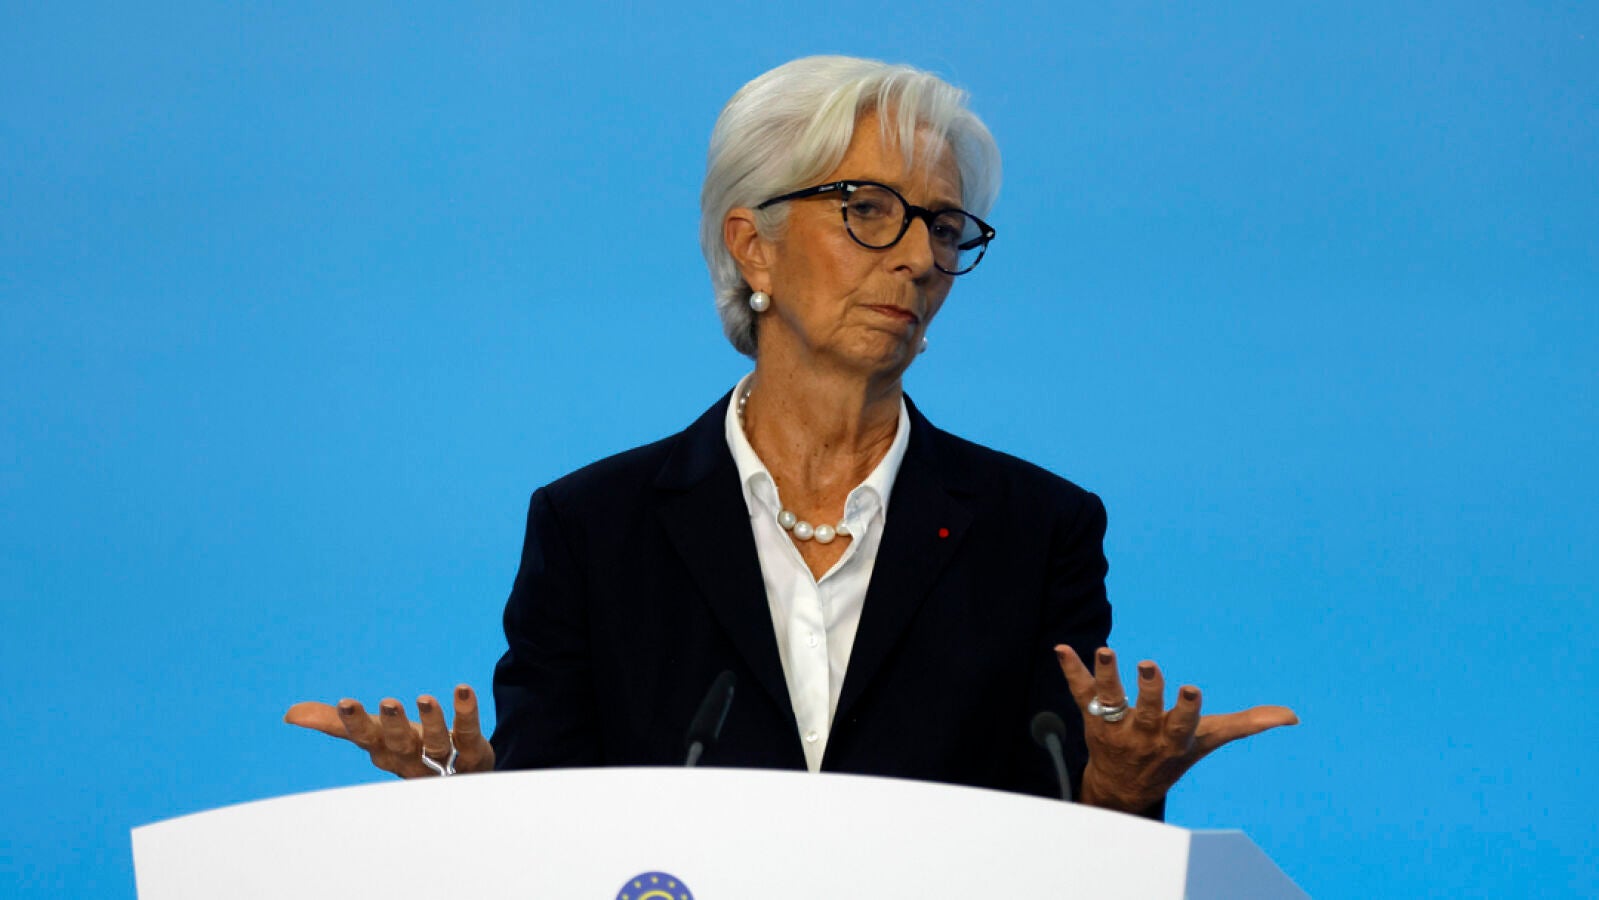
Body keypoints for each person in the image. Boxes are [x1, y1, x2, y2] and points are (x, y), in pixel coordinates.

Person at [286, 55, 1297, 815]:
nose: (918, 259)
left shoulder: (1036, 529)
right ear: (751, 245)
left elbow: (1062, 835)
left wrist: (1120, 790)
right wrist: (472, 803)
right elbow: (559, 820)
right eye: (869, 210)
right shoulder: (594, 528)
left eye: (944, 227)